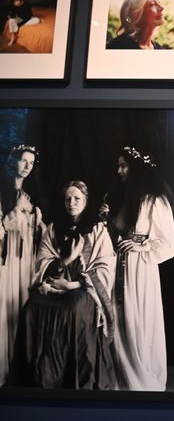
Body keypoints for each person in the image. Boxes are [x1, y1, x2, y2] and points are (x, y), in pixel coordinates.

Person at [8, 181, 116, 389]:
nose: (71, 203)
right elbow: (43, 263)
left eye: (77, 199)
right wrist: (66, 261)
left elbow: (104, 267)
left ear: (85, 201)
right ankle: (39, 377)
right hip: (55, 283)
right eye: (68, 199)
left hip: (82, 288)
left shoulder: (97, 230)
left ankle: (71, 379)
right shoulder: (53, 228)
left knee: (73, 309)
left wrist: (72, 285)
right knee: (31, 308)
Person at [104, 146, 174, 391]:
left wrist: (140, 246)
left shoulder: (156, 201)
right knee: (119, 317)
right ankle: (119, 376)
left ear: (136, 169)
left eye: (124, 165)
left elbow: (168, 245)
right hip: (119, 269)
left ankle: (141, 377)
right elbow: (118, 235)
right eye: (118, 165)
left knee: (138, 320)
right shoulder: (127, 199)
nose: (119, 170)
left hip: (141, 271)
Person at [0, 144, 45, 385]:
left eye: (31, 162)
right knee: (3, 311)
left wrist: (36, 220)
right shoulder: (2, 194)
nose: (27, 166)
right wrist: (9, 218)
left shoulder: (31, 196)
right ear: (12, 162)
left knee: (21, 310)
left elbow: (40, 235)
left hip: (25, 262)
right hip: (5, 264)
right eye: (23, 160)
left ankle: (19, 369)